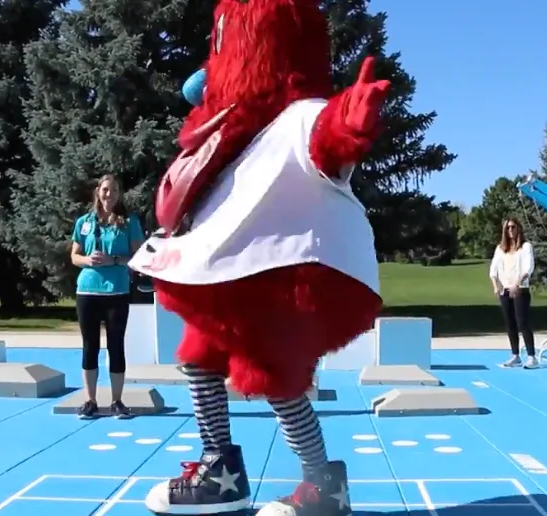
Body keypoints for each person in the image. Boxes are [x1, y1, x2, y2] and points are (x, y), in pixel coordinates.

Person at [129, 1, 389, 514]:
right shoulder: (227, 136)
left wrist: (352, 118)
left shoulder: (297, 118)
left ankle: (323, 486)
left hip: (279, 274)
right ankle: (218, 465)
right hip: (228, 274)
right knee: (198, 356)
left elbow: (327, 136)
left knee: (274, 374)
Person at [70, 174, 143, 420]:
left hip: (117, 291)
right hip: (87, 291)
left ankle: (117, 401)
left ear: (119, 194)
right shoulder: (84, 222)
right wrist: (87, 260)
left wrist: (113, 260)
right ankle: (90, 400)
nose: (108, 194)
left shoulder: (129, 222)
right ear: (97, 192)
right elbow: (74, 256)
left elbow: (137, 257)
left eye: (113, 190)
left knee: (116, 346)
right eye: (104, 190)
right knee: (90, 346)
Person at [490, 218, 537, 369]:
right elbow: (493, 270)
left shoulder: (525, 246)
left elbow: (528, 268)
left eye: (513, 227)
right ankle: (515, 355)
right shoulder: (500, 248)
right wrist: (496, 286)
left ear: (518, 228)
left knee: (522, 322)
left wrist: (518, 284)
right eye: (508, 228)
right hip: (505, 290)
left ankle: (531, 356)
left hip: (520, 289)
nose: (511, 230)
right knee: (510, 324)